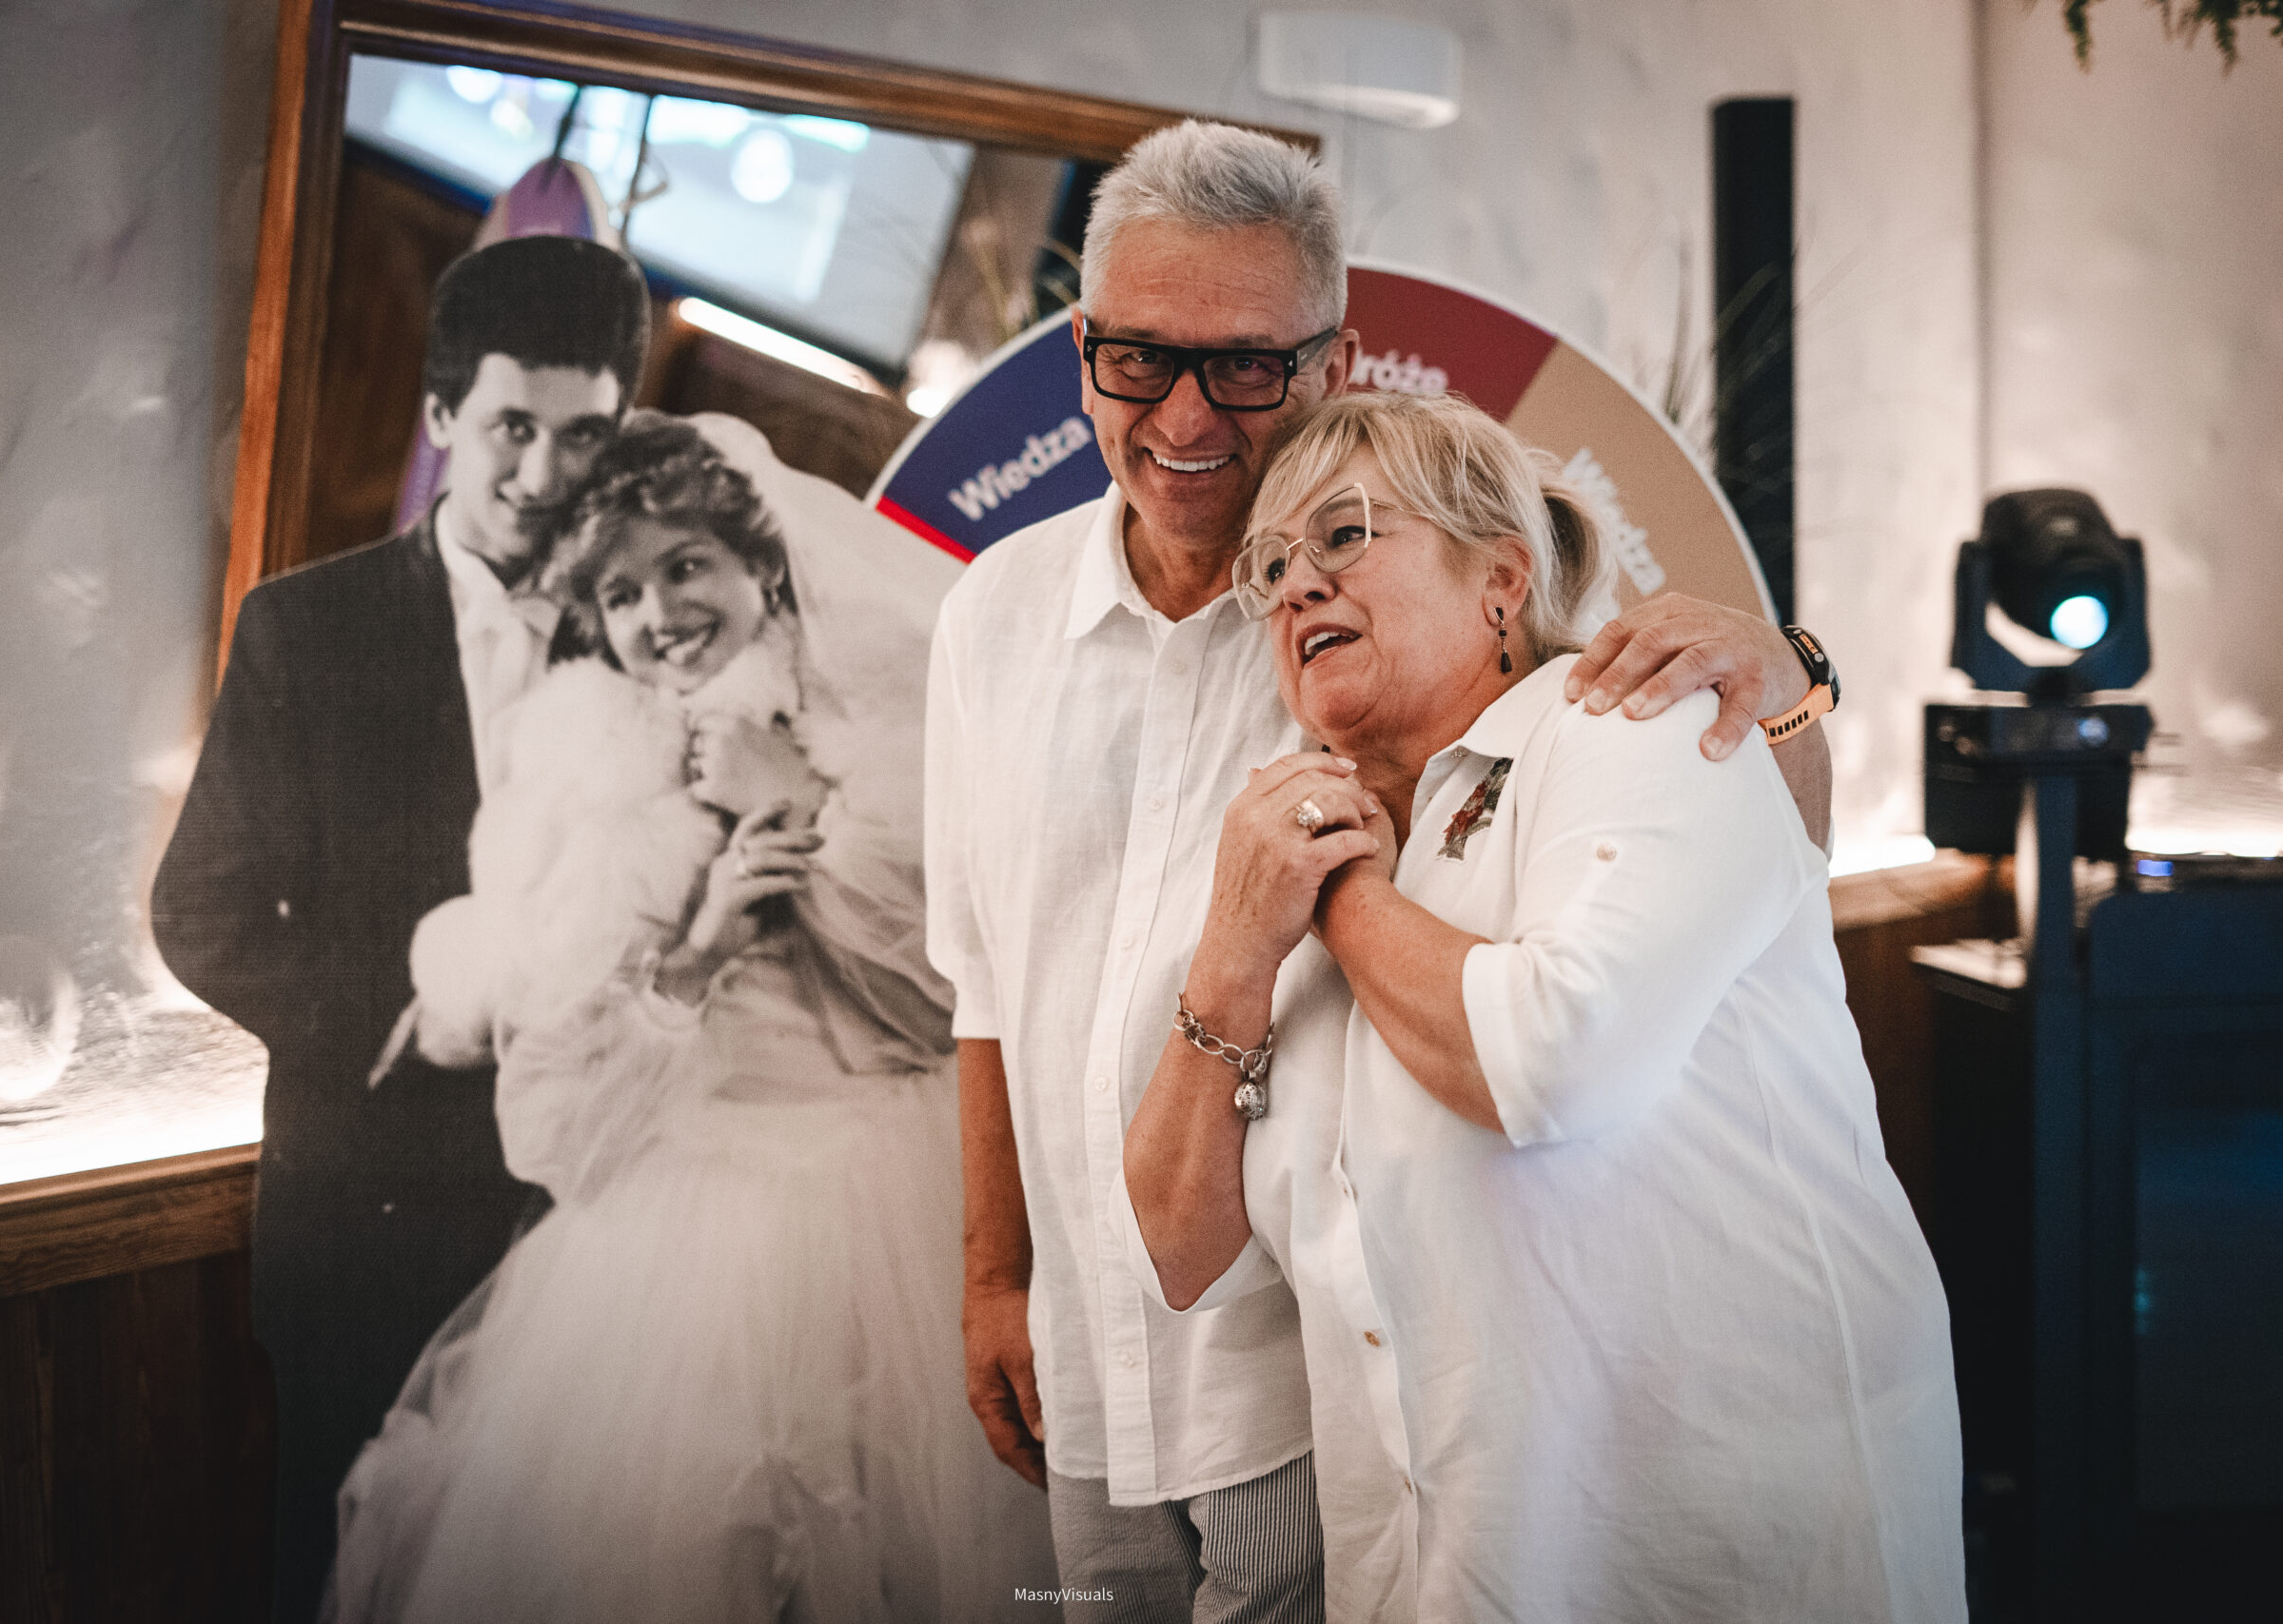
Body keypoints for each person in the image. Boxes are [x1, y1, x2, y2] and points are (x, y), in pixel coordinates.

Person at [924, 120, 1840, 1621]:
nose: (1186, 412)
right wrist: (992, 1274)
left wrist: (1788, 681)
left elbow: (1742, 828)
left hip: (1313, 1376)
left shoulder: (1409, 599)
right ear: (1082, 352)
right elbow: (983, 978)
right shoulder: (990, 615)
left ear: (1332, 363)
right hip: (1097, 1339)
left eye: (1246, 364)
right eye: (1140, 357)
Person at [1121, 392, 1962, 1622]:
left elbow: (1556, 1057)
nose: (1296, 584)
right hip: (1442, 1568)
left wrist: (1343, 894)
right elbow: (1177, 1250)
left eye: (1344, 534)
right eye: (1272, 567)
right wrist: (1236, 948)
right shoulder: (1289, 852)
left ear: (1502, 580)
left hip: (1718, 1548)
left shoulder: (1637, 725)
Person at [323, 414, 1053, 1623]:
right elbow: (551, 1130)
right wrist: (700, 947)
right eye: (619, 594)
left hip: (896, 1207)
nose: (658, 612)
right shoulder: (582, 792)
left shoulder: (888, 732)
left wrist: (802, 806)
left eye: (684, 566)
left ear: (759, 561)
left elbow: (952, 1012)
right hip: (678, 1237)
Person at [150, 235, 651, 1622]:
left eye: (584, 435)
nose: (544, 474)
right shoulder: (305, 630)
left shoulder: (653, 634)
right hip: (365, 1222)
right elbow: (198, 912)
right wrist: (411, 1016)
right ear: (441, 416)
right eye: (511, 428)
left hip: (585, 1238)